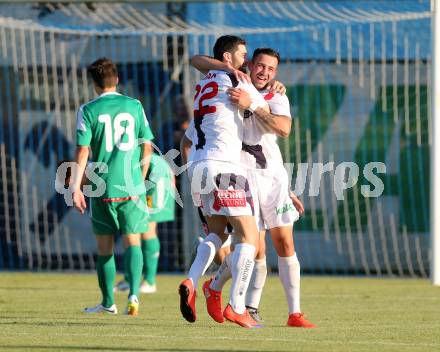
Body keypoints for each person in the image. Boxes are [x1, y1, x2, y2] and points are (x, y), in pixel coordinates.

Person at [192, 48, 316, 328]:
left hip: (272, 178)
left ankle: (294, 313)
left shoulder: (275, 95)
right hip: (239, 178)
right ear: (248, 65)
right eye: (260, 66)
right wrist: (229, 72)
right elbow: (196, 60)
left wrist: (252, 104)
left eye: (272, 69)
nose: (265, 73)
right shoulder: (229, 87)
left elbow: (284, 129)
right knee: (254, 248)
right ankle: (245, 306)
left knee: (284, 243)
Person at [178, 35, 269, 328]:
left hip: (199, 167)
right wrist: (266, 95)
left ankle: (192, 281)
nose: (248, 61)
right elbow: (274, 120)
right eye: (243, 55)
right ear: (228, 58)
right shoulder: (239, 82)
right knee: (250, 237)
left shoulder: (204, 85)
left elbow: (186, 140)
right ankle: (238, 305)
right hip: (224, 167)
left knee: (217, 233)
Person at [72, 57, 154, 316]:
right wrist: (140, 177)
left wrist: (76, 186)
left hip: (103, 188)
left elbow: (83, 150)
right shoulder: (134, 105)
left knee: (105, 247)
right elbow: (147, 146)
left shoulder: (87, 110)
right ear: (117, 79)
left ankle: (108, 302)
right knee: (134, 242)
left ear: (94, 83)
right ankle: (133, 295)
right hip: (132, 188)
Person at [114, 152, 176, 294]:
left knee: (148, 226)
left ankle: (149, 281)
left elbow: (149, 159)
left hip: (156, 177)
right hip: (140, 178)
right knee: (130, 229)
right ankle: (130, 279)